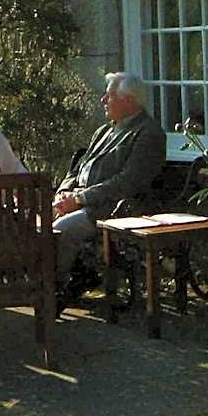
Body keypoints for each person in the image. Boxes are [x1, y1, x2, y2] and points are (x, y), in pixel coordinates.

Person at [53, 71, 166, 306]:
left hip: (112, 208)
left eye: (109, 95)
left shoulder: (148, 133)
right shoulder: (104, 131)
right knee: (32, 219)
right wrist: (63, 193)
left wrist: (80, 199)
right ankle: (61, 279)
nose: (103, 100)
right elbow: (77, 169)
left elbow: (127, 182)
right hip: (82, 200)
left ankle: (54, 289)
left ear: (129, 100)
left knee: (61, 230)